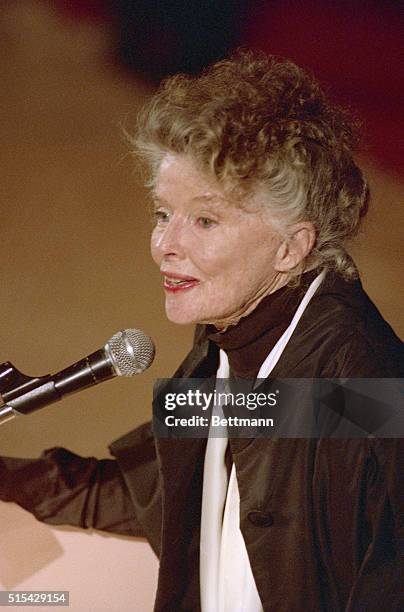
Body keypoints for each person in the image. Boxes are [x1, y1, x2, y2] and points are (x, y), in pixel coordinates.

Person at [0, 51, 403, 611]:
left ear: (291, 246)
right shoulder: (226, 338)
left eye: (205, 220)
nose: (166, 245)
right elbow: (165, 496)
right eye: (163, 214)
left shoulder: (366, 389)